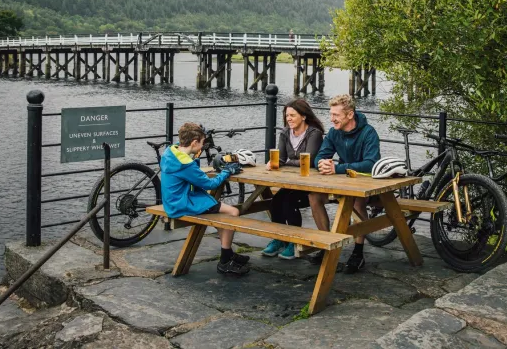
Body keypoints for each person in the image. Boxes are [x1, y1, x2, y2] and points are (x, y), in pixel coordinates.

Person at [160, 122, 250, 275]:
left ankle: (228, 254)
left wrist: (195, 152)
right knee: (232, 213)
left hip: (173, 201)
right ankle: (225, 262)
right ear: (194, 142)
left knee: (222, 218)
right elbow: (210, 183)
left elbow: (191, 170)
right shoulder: (185, 164)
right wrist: (227, 172)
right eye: (201, 143)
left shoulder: (171, 153)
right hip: (183, 204)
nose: (203, 146)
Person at [308, 94, 380, 273]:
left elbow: (371, 165)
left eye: (336, 115)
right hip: (342, 182)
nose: (331, 119)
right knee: (313, 196)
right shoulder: (334, 132)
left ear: (350, 115)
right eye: (331, 114)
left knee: (356, 201)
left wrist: (338, 168)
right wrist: (321, 163)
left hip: (368, 184)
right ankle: (326, 245)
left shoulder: (368, 133)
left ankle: (358, 251)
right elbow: (320, 156)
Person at [261, 99, 325, 260]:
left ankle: (294, 241)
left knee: (289, 202)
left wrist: (287, 162)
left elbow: (309, 161)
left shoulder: (314, 133)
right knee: (276, 201)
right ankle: (279, 238)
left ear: (303, 116)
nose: (288, 118)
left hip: (311, 182)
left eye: (292, 115)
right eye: (286, 115)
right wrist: (273, 163)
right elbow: (280, 158)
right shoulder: (285, 133)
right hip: (292, 180)